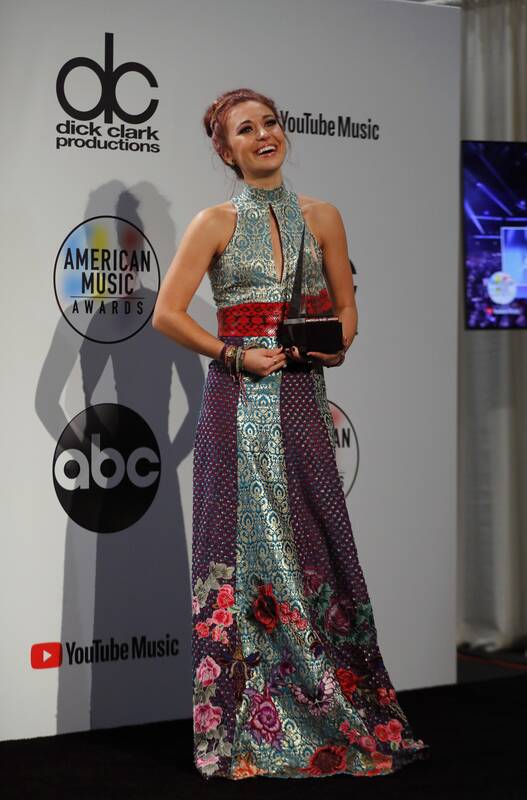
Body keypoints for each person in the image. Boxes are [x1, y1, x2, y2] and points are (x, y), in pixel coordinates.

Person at [152, 88, 430, 780]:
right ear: (226, 150)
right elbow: (167, 313)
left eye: (270, 123)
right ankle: (243, 728)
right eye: (246, 129)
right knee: (241, 549)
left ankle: (332, 708)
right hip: (235, 402)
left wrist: (335, 345)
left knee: (315, 538)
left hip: (303, 398)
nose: (263, 135)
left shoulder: (323, 216)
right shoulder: (213, 222)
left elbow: (346, 308)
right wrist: (233, 355)